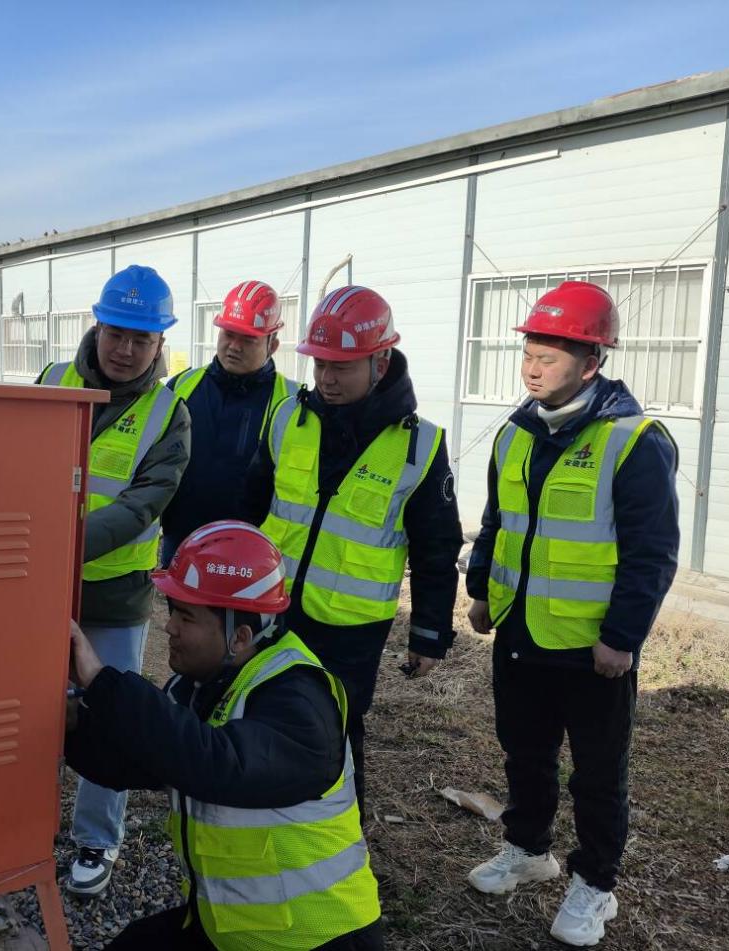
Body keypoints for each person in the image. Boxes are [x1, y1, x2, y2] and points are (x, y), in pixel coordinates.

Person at [463, 281, 679, 947]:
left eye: (548, 358)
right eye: (527, 355)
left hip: (592, 649)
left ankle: (595, 884)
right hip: (521, 631)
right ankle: (529, 849)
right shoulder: (515, 433)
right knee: (524, 752)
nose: (531, 369)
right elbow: (497, 521)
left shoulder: (633, 441)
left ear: (591, 363)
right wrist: (480, 590)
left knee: (597, 773)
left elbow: (651, 552)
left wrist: (622, 637)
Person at [65, 520, 385, 950]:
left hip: (317, 939)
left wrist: (103, 682)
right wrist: (74, 725)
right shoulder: (199, 685)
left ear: (241, 635)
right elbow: (146, 761)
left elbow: (218, 764)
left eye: (186, 616)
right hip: (231, 931)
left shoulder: (301, 699)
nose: (169, 628)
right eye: (172, 611)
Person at [240, 285, 463, 807]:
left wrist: (429, 633)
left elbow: (435, 548)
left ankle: (339, 833)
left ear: (380, 362)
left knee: (334, 728)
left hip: (350, 627)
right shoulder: (287, 419)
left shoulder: (419, 446)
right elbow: (249, 510)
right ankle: (264, 817)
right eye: (319, 365)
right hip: (272, 607)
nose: (326, 379)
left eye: (341, 367)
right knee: (258, 708)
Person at [36, 263, 191, 896]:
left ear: (160, 343)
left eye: (141, 339)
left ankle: (96, 839)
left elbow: (141, 506)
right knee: (29, 705)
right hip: (32, 584)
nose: (125, 349)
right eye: (116, 333)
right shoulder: (51, 382)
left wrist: (57, 545)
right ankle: (22, 820)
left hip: (113, 595)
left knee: (108, 713)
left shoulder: (169, 415)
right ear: (96, 327)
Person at [160, 280, 297, 564]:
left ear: (272, 344)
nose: (234, 347)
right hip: (181, 543)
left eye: (248, 339)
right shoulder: (182, 386)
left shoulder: (291, 404)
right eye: (228, 334)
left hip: (251, 555)